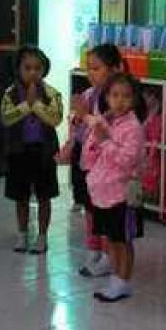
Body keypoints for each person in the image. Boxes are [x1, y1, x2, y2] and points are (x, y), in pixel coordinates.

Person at [58, 43, 123, 278]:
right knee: (89, 207)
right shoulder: (87, 94)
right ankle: (93, 249)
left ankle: (107, 255)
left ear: (114, 70)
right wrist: (69, 145)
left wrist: (85, 114)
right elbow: (77, 126)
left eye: (96, 68)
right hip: (86, 160)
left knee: (103, 209)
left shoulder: (117, 99)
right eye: (88, 69)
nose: (91, 74)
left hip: (105, 164)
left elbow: (105, 127)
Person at [82, 72, 146, 303]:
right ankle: (115, 278)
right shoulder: (106, 121)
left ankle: (123, 281)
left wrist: (104, 141)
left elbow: (126, 160)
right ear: (107, 97)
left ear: (134, 99)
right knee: (110, 239)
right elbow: (90, 154)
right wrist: (96, 137)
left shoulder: (133, 128)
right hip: (102, 193)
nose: (119, 101)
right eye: (115, 95)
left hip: (121, 195)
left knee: (122, 240)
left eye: (126, 96)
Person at [0, 46, 64, 254]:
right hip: (18, 151)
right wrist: (26, 105)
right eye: (27, 68)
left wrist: (35, 103)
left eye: (38, 68)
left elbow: (55, 119)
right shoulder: (10, 93)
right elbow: (6, 118)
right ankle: (22, 234)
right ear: (18, 69)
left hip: (44, 152)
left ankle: (42, 236)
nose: (33, 72)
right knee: (21, 196)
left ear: (44, 69)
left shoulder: (52, 93)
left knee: (44, 195)